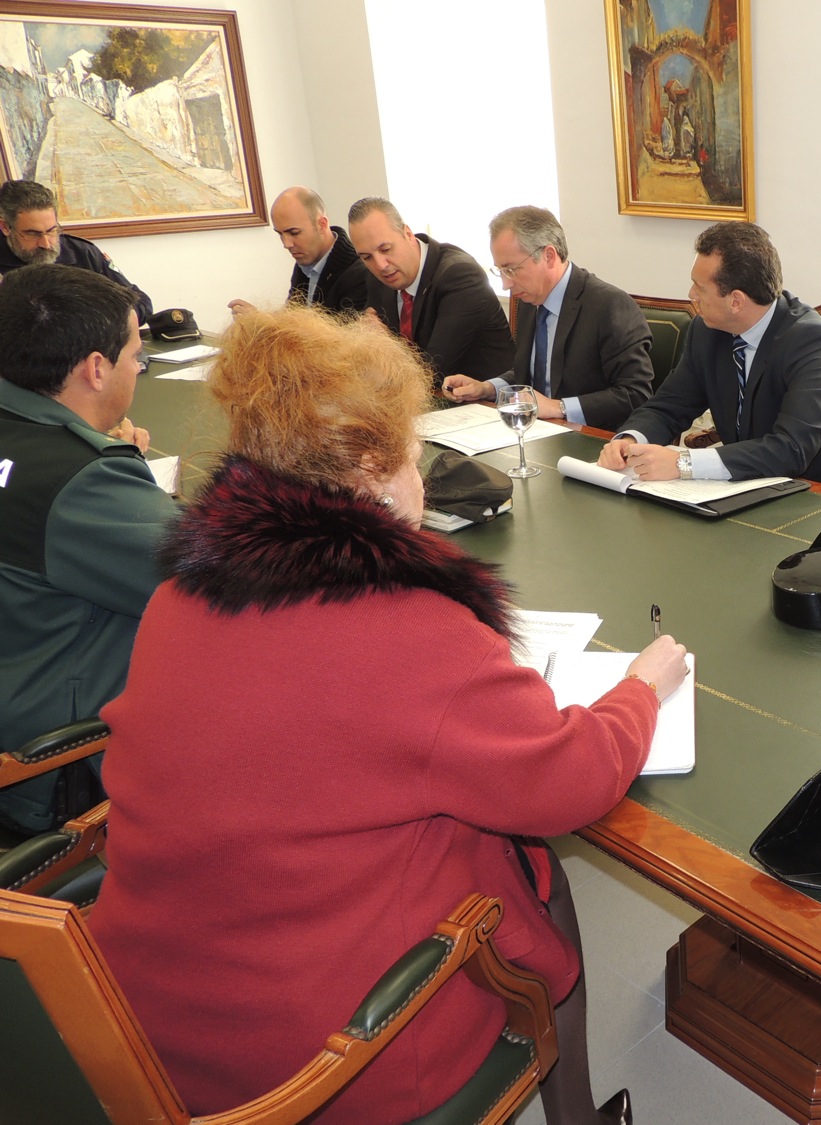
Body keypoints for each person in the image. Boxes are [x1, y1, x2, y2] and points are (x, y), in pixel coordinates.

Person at [87, 305, 684, 1125]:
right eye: (414, 451)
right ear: (373, 468)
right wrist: (641, 688)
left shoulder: (179, 592)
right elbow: (569, 779)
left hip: (138, 1017)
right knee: (532, 868)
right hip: (329, 1060)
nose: (422, 473)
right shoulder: (411, 628)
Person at [0, 264, 175, 835]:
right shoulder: (81, 481)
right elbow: (224, 573)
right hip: (59, 773)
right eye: (135, 357)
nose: (137, 370)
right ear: (96, 369)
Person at [598, 221, 821, 483]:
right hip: (743, 484)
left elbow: (791, 449)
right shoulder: (707, 331)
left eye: (700, 288)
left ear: (736, 301)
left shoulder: (813, 342)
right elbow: (668, 406)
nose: (691, 295)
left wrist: (683, 463)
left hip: (818, 491)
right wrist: (630, 439)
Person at [440, 205, 653, 430]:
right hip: (536, 432)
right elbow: (530, 373)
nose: (506, 284)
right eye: (500, 271)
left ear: (549, 256)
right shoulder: (529, 300)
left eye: (511, 270)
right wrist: (487, 389)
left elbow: (636, 394)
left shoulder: (609, 305)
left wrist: (558, 407)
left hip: (590, 437)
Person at [348, 196, 515, 390]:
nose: (380, 265)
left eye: (385, 249)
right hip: (422, 400)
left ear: (408, 234)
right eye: (367, 257)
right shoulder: (376, 279)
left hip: (482, 401)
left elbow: (431, 371)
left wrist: (380, 343)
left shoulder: (459, 276)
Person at [0, 180, 153, 323]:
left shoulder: (82, 253)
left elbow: (140, 303)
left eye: (52, 231)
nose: (46, 244)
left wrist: (99, 322)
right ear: (5, 227)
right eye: (32, 234)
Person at [227, 185, 365, 315]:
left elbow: (338, 332)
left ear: (322, 225)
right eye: (280, 234)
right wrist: (259, 320)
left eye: (294, 233)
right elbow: (292, 318)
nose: (286, 244)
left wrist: (263, 323)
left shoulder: (360, 273)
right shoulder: (304, 262)